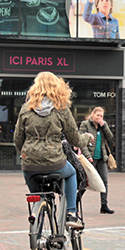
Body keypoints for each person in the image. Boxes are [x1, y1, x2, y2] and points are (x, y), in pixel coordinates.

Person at [15, 72, 90, 229]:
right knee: (71, 173)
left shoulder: (26, 109)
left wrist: (26, 154)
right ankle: (71, 213)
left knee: (39, 196)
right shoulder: (61, 109)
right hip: (55, 162)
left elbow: (18, 139)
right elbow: (74, 139)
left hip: (30, 165)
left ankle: (37, 231)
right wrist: (87, 138)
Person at [79, 107, 115, 214]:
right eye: (97, 115)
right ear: (93, 115)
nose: (99, 118)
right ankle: (76, 200)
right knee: (86, 181)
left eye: (101, 116)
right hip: (90, 158)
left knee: (104, 182)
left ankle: (104, 205)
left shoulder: (102, 126)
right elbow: (81, 140)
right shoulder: (85, 124)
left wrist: (104, 126)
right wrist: (87, 155)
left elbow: (110, 137)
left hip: (101, 158)